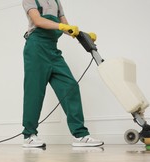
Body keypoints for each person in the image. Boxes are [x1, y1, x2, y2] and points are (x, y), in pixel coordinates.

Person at [22, 0, 104, 148]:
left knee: (70, 86)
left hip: (52, 50)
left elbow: (66, 26)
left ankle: (80, 135)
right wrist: (61, 26)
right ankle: (29, 135)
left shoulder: (56, 2)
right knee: (34, 92)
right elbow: (38, 21)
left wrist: (82, 34)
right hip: (36, 48)